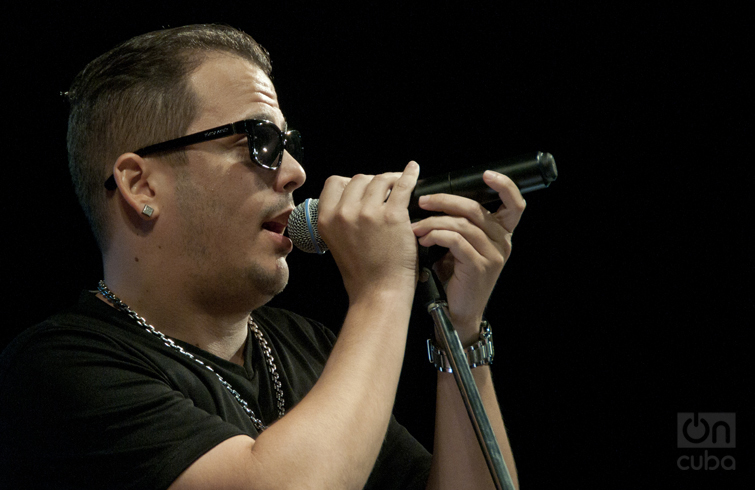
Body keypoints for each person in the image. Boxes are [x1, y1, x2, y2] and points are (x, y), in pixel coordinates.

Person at [0, 24, 524, 489]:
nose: (295, 172)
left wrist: (462, 334)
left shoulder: (306, 346)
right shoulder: (59, 368)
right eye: (259, 141)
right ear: (141, 185)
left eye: (288, 143)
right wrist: (382, 288)